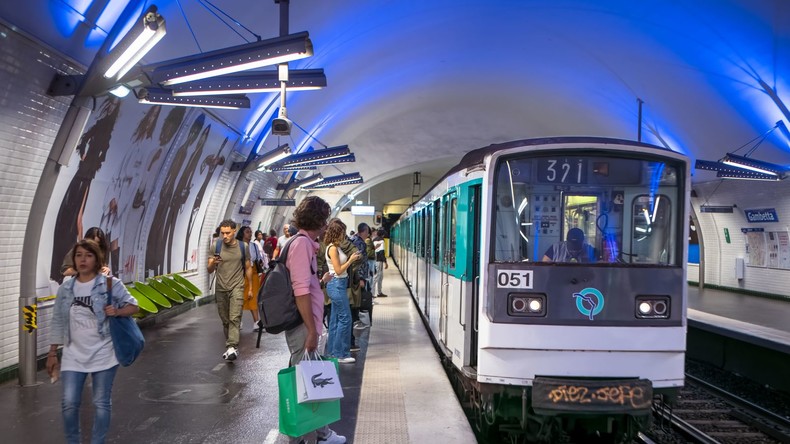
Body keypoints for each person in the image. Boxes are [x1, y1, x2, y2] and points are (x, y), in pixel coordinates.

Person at [47, 239, 140, 444]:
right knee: (69, 403)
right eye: (79, 255)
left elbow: (134, 306)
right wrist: (52, 352)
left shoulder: (109, 284)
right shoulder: (66, 288)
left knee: (101, 402)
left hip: (104, 351)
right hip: (73, 352)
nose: (83, 260)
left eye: (88, 255)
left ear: (97, 260)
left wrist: (116, 312)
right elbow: (58, 320)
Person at [283, 196, 346, 444]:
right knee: (303, 383)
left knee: (310, 380)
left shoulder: (306, 244)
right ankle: (299, 437)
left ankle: (321, 434)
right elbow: (300, 291)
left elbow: (306, 285)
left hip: (307, 324)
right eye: (324, 218)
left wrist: (320, 283)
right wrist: (311, 330)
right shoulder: (301, 245)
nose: (326, 224)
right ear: (317, 219)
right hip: (302, 326)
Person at [207, 220, 253, 361]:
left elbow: (248, 267)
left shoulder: (243, 247)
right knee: (225, 320)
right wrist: (212, 263)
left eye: (228, 233)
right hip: (221, 288)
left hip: (237, 287)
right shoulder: (216, 246)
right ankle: (230, 347)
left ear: (234, 231)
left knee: (235, 317)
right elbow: (209, 270)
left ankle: (232, 345)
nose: (225, 236)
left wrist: (250, 287)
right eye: (223, 233)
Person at [324, 219, 362, 364]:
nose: (344, 235)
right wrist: (351, 260)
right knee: (346, 319)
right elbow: (339, 270)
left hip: (337, 285)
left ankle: (333, 352)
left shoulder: (334, 247)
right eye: (342, 232)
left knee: (335, 321)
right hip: (337, 284)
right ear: (336, 233)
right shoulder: (333, 249)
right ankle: (341, 353)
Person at [237, 226, 263, 332]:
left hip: (253, 273)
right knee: (240, 298)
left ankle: (256, 322)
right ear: (242, 233)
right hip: (241, 273)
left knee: (254, 298)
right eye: (247, 232)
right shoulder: (237, 246)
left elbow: (258, 259)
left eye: (250, 232)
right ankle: (238, 321)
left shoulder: (254, 246)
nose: (250, 234)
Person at [373, 229, 388, 297]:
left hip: (375, 260)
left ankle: (379, 292)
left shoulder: (374, 239)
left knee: (380, 276)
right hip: (379, 260)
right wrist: (385, 262)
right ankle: (373, 293)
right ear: (383, 235)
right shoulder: (381, 240)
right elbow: (382, 252)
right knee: (377, 277)